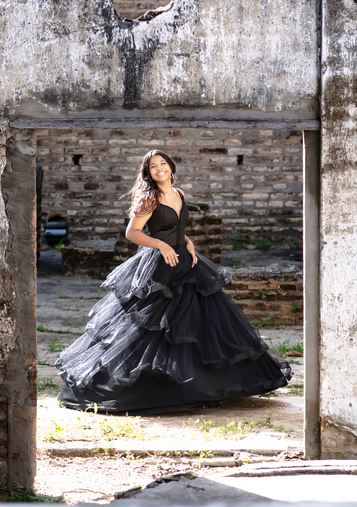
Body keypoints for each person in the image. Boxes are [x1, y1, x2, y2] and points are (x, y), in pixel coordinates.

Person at [56, 149, 291, 413]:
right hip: (160, 264)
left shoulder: (179, 194)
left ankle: (201, 384)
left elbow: (177, 226)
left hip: (185, 260)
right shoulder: (149, 198)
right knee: (155, 324)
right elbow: (132, 232)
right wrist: (161, 245)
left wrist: (187, 242)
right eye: (153, 166)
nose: (160, 169)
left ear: (171, 166)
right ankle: (150, 387)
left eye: (163, 163)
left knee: (196, 323)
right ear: (148, 172)